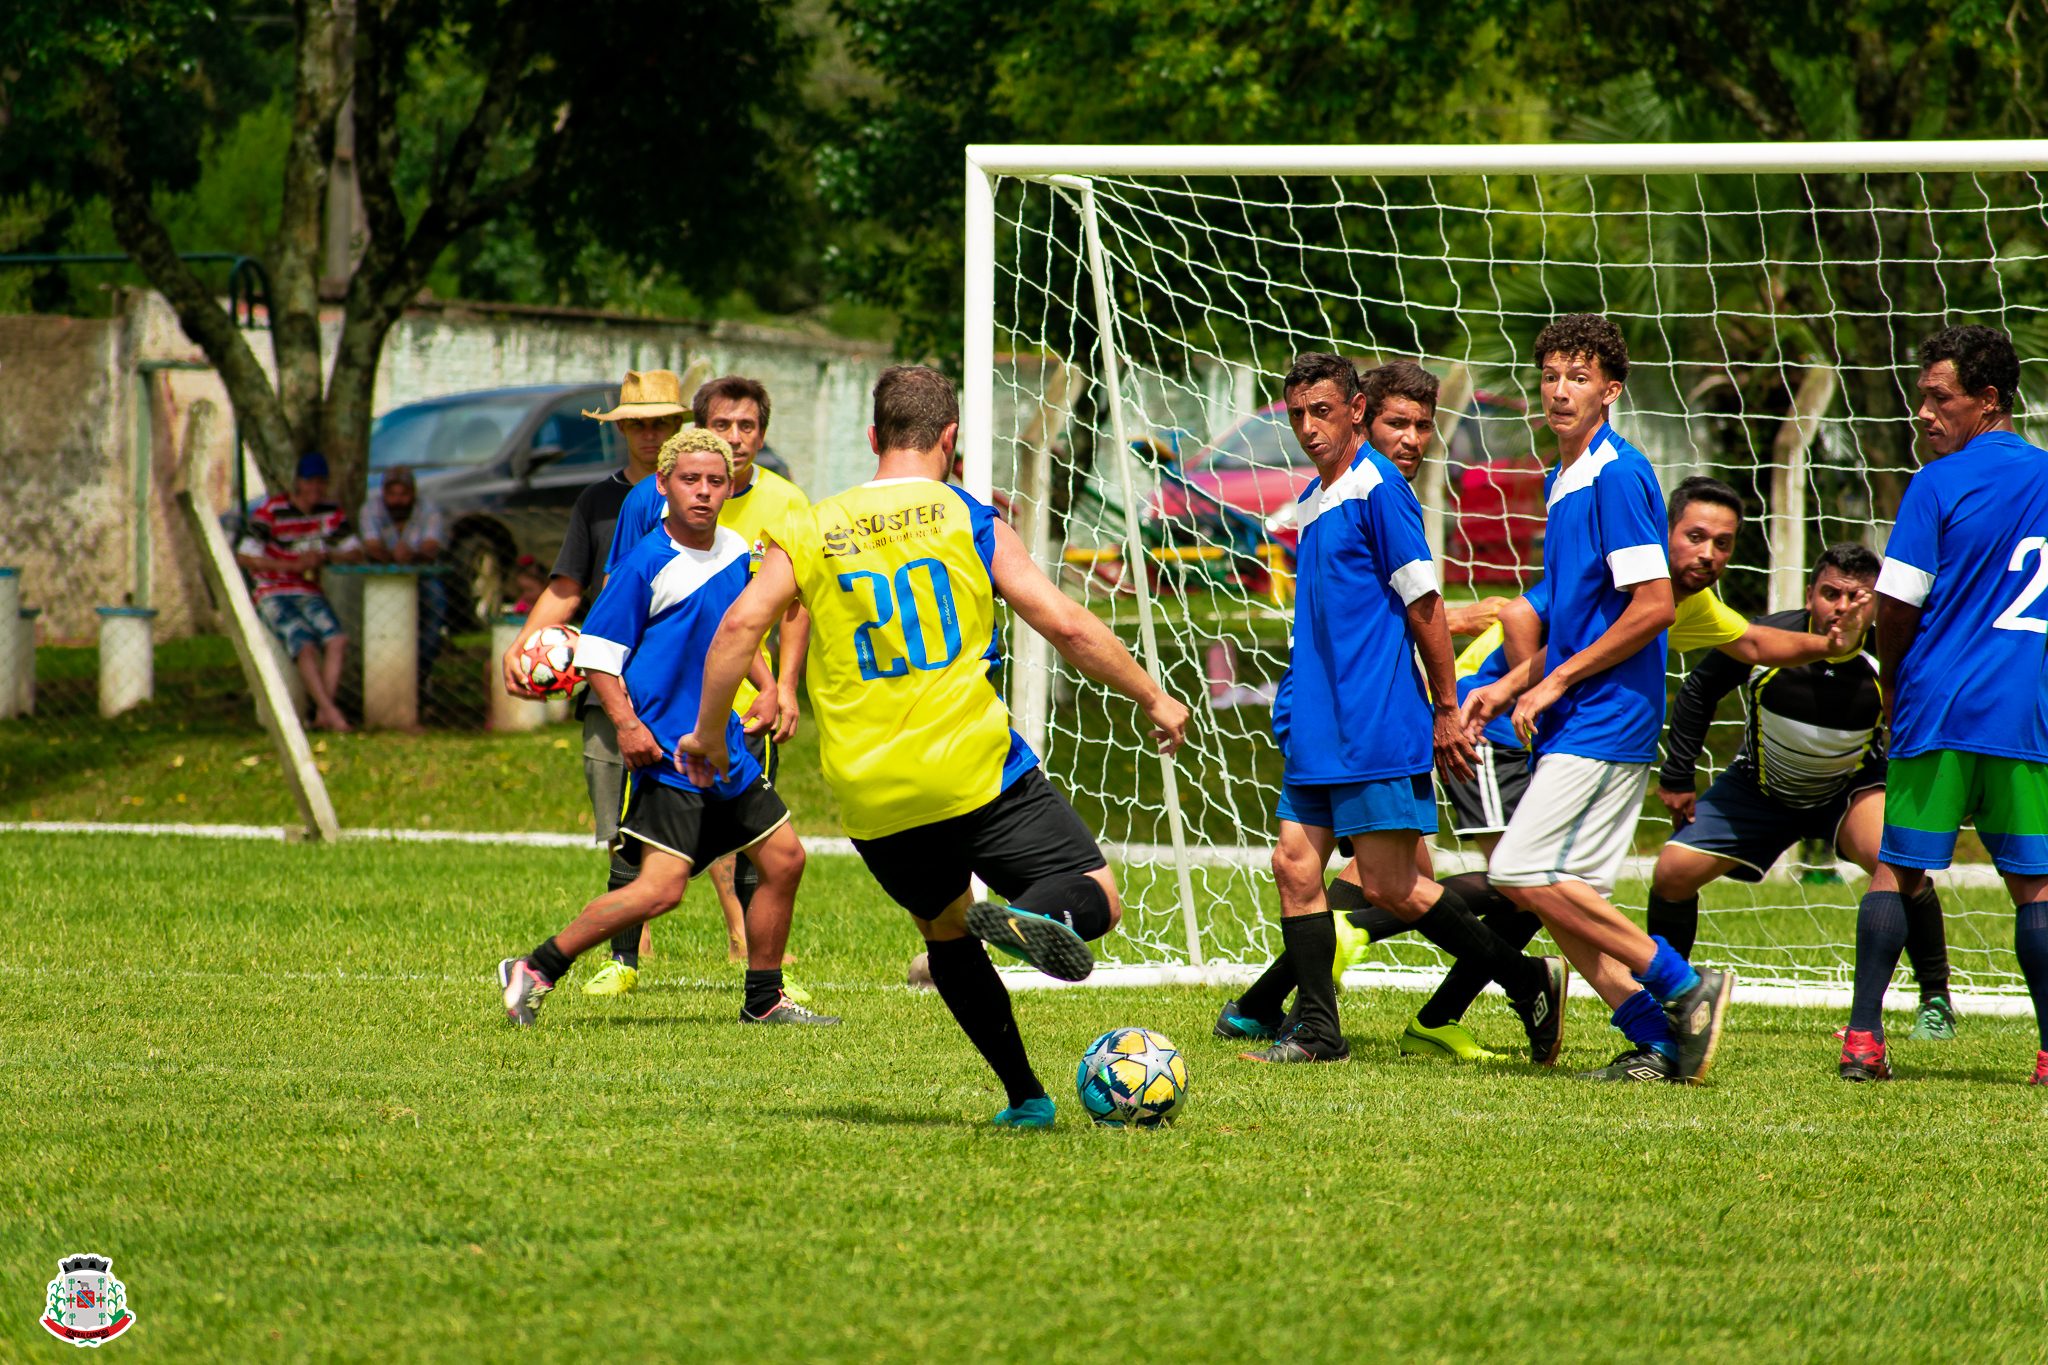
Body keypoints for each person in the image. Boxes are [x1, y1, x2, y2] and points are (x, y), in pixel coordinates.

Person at [678, 364, 1192, 1128]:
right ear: (950, 439)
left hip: (874, 794)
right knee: (1098, 895)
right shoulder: (969, 517)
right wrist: (1154, 694)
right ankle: (1043, 915)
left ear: (872, 437)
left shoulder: (813, 525)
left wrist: (710, 734)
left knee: (946, 930)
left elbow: (736, 628)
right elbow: (1066, 624)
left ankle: (1026, 1097)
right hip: (974, 767)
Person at [1399, 481, 1873, 1066]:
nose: (1709, 553)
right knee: (1539, 890)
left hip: (1580, 736)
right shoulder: (1628, 574)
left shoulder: (1686, 601)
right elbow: (1529, 617)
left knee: (1527, 882)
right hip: (1522, 728)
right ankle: (1658, 1022)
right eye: (1695, 537)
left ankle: (1666, 1000)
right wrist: (1517, 687)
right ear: (1663, 534)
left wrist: (1829, 646)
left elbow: (1752, 641)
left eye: (1723, 543)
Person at [1214, 358, 1557, 1063]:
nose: (1309, 426)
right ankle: (1317, 1031)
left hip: (1373, 724)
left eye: (1322, 411)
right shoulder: (1312, 499)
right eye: (1298, 413)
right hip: (1318, 725)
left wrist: (1444, 708)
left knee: (1395, 887)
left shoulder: (1381, 490)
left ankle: (1526, 981)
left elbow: (1425, 606)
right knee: (1294, 866)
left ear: (1353, 410)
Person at [1462, 313, 1733, 1085]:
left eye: (1578, 377)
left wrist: (1550, 681)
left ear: (1611, 389)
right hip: (1577, 707)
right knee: (1562, 897)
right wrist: (1510, 683)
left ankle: (1684, 985)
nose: (1559, 390)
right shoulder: (1564, 476)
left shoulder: (1618, 474)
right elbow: (1585, 615)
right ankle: (1659, 1040)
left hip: (1611, 712)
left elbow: (1652, 605)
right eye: (1549, 375)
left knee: (1518, 870)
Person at [498, 429, 832, 1027]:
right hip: (670, 750)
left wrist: (766, 689)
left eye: (715, 481)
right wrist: (627, 728)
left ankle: (765, 999)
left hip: (723, 745)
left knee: (784, 859)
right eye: (689, 480)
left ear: (730, 488)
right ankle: (537, 966)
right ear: (663, 485)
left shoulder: (733, 550)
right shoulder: (644, 563)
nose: (703, 492)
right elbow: (597, 654)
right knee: (660, 891)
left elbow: (736, 631)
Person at [1841, 324, 2048, 1084]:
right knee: (2036, 882)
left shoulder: (1939, 482)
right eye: (1921, 396)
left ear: (1987, 400)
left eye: (1939, 397)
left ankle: (1864, 1037)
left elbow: (1895, 603)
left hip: (1939, 703)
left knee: (1897, 867)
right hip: (2025, 710)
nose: (1923, 412)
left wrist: (1893, 681)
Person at [1651, 544, 1958, 1038]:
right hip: (1759, 787)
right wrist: (1678, 775)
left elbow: (1923, 719)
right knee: (1672, 872)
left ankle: (1935, 999)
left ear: (1877, 602)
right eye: (1831, 593)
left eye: (1858, 596)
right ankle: (1662, 993)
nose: (1843, 606)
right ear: (1811, 594)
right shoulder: (1763, 637)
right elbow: (1698, 690)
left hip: (1848, 791)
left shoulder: (1893, 652)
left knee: (1899, 863)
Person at [606, 376, 813, 977]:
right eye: (722, 425)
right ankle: (620, 961)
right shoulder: (652, 500)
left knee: (765, 843)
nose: (735, 437)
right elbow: (624, 593)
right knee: (643, 844)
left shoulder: (787, 503)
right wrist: (627, 700)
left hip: (744, 708)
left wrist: (784, 686)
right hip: (665, 709)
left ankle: (763, 966)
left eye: (747, 426)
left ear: (763, 434)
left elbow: (788, 609)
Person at [500, 369, 688, 993]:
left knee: (726, 823)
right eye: (637, 423)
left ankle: (757, 956)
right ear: (622, 430)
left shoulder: (703, 495)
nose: (648, 433)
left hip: (680, 685)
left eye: (660, 422)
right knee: (617, 825)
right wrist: (525, 645)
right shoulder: (597, 502)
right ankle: (625, 952)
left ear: (678, 427)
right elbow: (567, 587)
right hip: (609, 683)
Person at [236, 451, 362, 732]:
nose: (315, 488)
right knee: (303, 643)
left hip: (308, 589)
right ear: (298, 483)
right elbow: (244, 556)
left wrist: (326, 556)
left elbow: (354, 551)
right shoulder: (271, 512)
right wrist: (287, 564)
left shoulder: (329, 513)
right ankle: (330, 711)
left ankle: (322, 713)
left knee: (336, 639)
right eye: (310, 482)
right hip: (273, 590)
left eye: (320, 482)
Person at [358, 465, 449, 696]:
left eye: (404, 494)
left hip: (422, 573)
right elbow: (371, 546)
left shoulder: (428, 509)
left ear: (413, 494)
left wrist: (410, 555)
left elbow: (431, 547)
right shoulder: (371, 509)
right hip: (384, 579)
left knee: (435, 607)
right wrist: (393, 556)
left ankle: (421, 674)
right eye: (393, 494)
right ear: (384, 494)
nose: (398, 501)